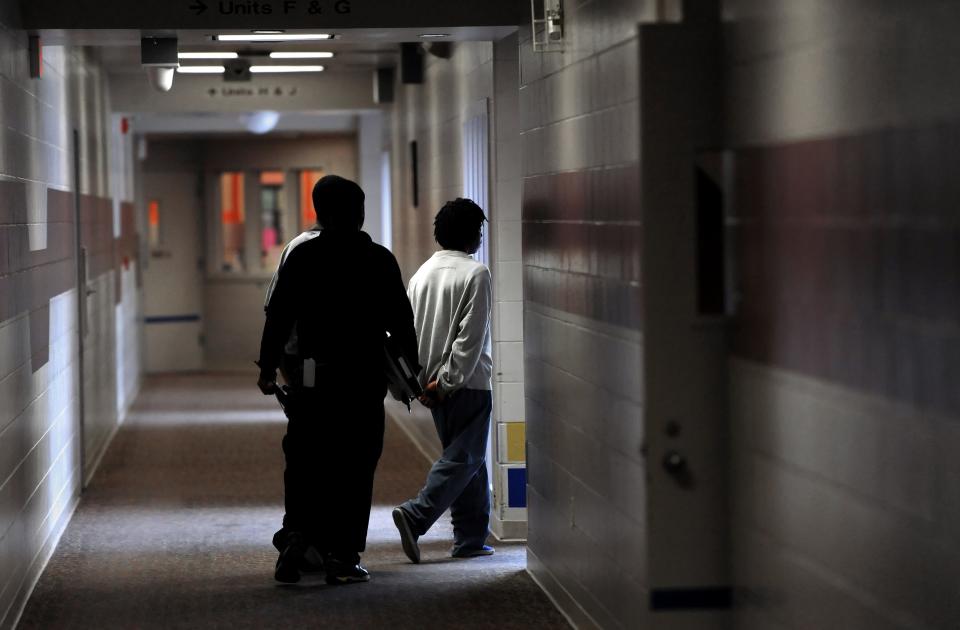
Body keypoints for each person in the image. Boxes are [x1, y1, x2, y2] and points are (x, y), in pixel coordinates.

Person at [257, 175, 418, 585]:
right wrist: (411, 372)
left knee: (307, 459)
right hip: (362, 380)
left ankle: (297, 539)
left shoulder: (303, 258)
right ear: (359, 214)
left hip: (311, 377)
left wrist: (266, 367)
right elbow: (402, 322)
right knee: (356, 464)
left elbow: (278, 316)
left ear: (319, 215)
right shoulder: (379, 260)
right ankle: (342, 555)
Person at [392, 198, 495, 563]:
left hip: (432, 385)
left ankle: (469, 538)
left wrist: (423, 383)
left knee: (470, 461)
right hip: (465, 384)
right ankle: (416, 514)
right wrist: (449, 381)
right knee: (465, 458)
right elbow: (469, 340)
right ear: (474, 234)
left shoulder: (421, 275)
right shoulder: (476, 273)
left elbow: (409, 332)